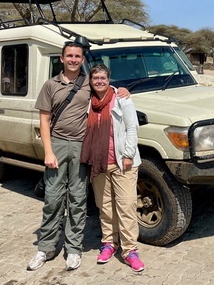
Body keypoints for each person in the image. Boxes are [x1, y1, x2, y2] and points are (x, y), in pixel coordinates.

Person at [27, 42, 129, 271]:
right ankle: (45, 247)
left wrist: (123, 90)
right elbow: (44, 120)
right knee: (53, 197)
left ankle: (73, 249)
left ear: (82, 59)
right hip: (58, 145)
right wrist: (48, 151)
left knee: (78, 198)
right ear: (62, 59)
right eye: (69, 56)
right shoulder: (50, 85)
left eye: (77, 56)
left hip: (83, 146)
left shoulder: (88, 83)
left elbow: (106, 89)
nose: (73, 59)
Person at [80, 64, 145, 272]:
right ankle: (109, 243)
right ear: (90, 81)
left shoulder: (121, 98)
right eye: (95, 78)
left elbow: (132, 127)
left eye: (103, 78)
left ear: (109, 79)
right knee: (105, 207)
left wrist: (127, 154)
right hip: (98, 162)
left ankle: (130, 250)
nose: (99, 81)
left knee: (126, 207)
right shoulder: (88, 102)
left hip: (122, 163)